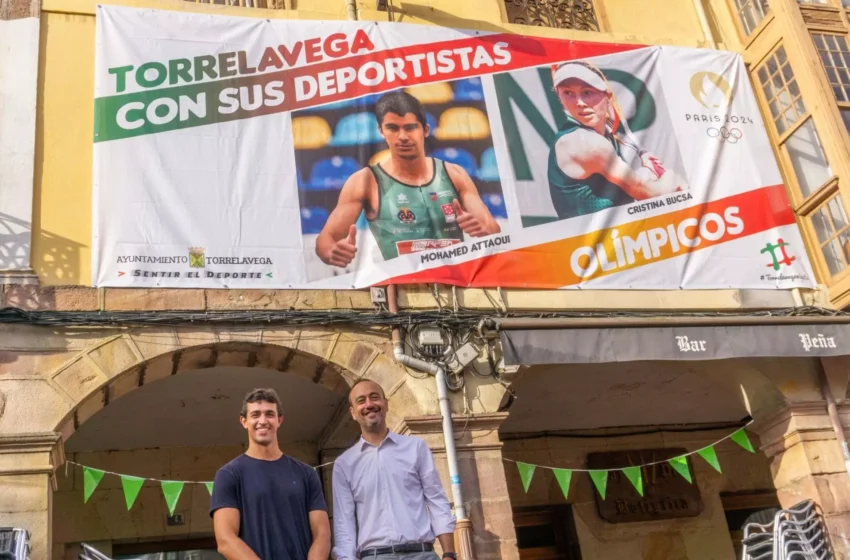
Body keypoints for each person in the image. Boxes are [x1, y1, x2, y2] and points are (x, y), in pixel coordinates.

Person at [316, 90, 500, 267]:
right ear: (381, 131)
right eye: (392, 128)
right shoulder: (365, 181)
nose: (403, 137)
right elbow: (326, 239)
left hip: (456, 286)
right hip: (404, 290)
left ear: (425, 130)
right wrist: (331, 251)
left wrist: (483, 230)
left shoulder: (454, 174)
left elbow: (492, 229)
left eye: (410, 128)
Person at [332, 379, 457, 560]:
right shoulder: (344, 464)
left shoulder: (416, 447)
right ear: (353, 412)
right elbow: (344, 524)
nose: (369, 404)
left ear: (386, 404)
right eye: (361, 400)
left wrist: (449, 554)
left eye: (374, 397)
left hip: (422, 554)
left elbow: (437, 500)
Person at [548, 60, 687, 220]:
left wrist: (647, 169)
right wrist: (672, 179)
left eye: (587, 92)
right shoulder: (584, 143)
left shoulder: (599, 135)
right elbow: (646, 192)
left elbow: (621, 185)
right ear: (559, 96)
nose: (579, 102)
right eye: (568, 93)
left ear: (607, 96)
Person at [210, 388, 330, 560]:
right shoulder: (229, 475)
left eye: (269, 414)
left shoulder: (306, 473)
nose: (263, 420)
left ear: (279, 420)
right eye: (255, 414)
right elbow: (225, 540)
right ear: (243, 421)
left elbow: (322, 533)